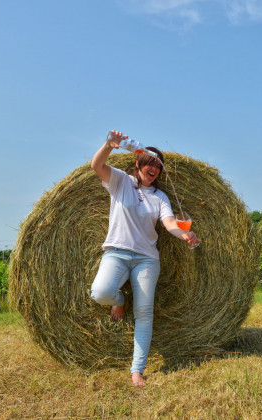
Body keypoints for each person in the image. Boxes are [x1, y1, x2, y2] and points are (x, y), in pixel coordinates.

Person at [90, 130, 200, 387]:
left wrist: (184, 235)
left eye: (159, 166)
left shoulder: (160, 198)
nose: (154, 169)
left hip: (146, 259)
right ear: (138, 163)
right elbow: (97, 166)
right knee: (100, 292)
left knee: (144, 313)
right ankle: (120, 298)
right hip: (116, 252)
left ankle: (137, 370)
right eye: (150, 163)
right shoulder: (121, 181)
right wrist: (109, 144)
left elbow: (170, 223)